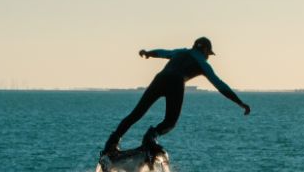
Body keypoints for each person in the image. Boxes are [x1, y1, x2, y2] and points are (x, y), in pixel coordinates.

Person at [101, 37, 250, 157]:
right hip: (176, 82)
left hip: (160, 78)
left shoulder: (180, 52)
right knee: (170, 122)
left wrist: (148, 53)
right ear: (204, 49)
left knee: (137, 113)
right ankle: (150, 138)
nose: (208, 56)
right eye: (208, 53)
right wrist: (240, 103)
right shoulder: (202, 63)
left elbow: (162, 52)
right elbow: (220, 85)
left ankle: (111, 144)